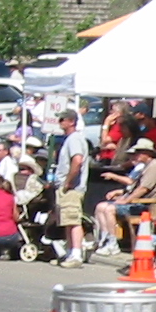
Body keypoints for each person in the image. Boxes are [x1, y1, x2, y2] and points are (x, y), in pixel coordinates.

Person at [92, 138, 156, 255]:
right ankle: (105, 240)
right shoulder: (145, 166)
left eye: (139, 152)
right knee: (100, 207)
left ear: (147, 153)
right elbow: (134, 186)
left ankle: (113, 244)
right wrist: (120, 193)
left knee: (109, 209)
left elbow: (143, 189)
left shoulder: (154, 166)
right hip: (136, 202)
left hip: (145, 205)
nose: (136, 155)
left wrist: (126, 200)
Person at [52, 108, 89, 268]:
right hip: (67, 187)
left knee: (73, 220)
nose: (60, 123)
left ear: (71, 121)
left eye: (62, 120)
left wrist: (68, 181)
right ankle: (69, 252)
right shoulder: (69, 139)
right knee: (67, 220)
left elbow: (77, 160)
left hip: (72, 188)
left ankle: (76, 254)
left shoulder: (74, 139)